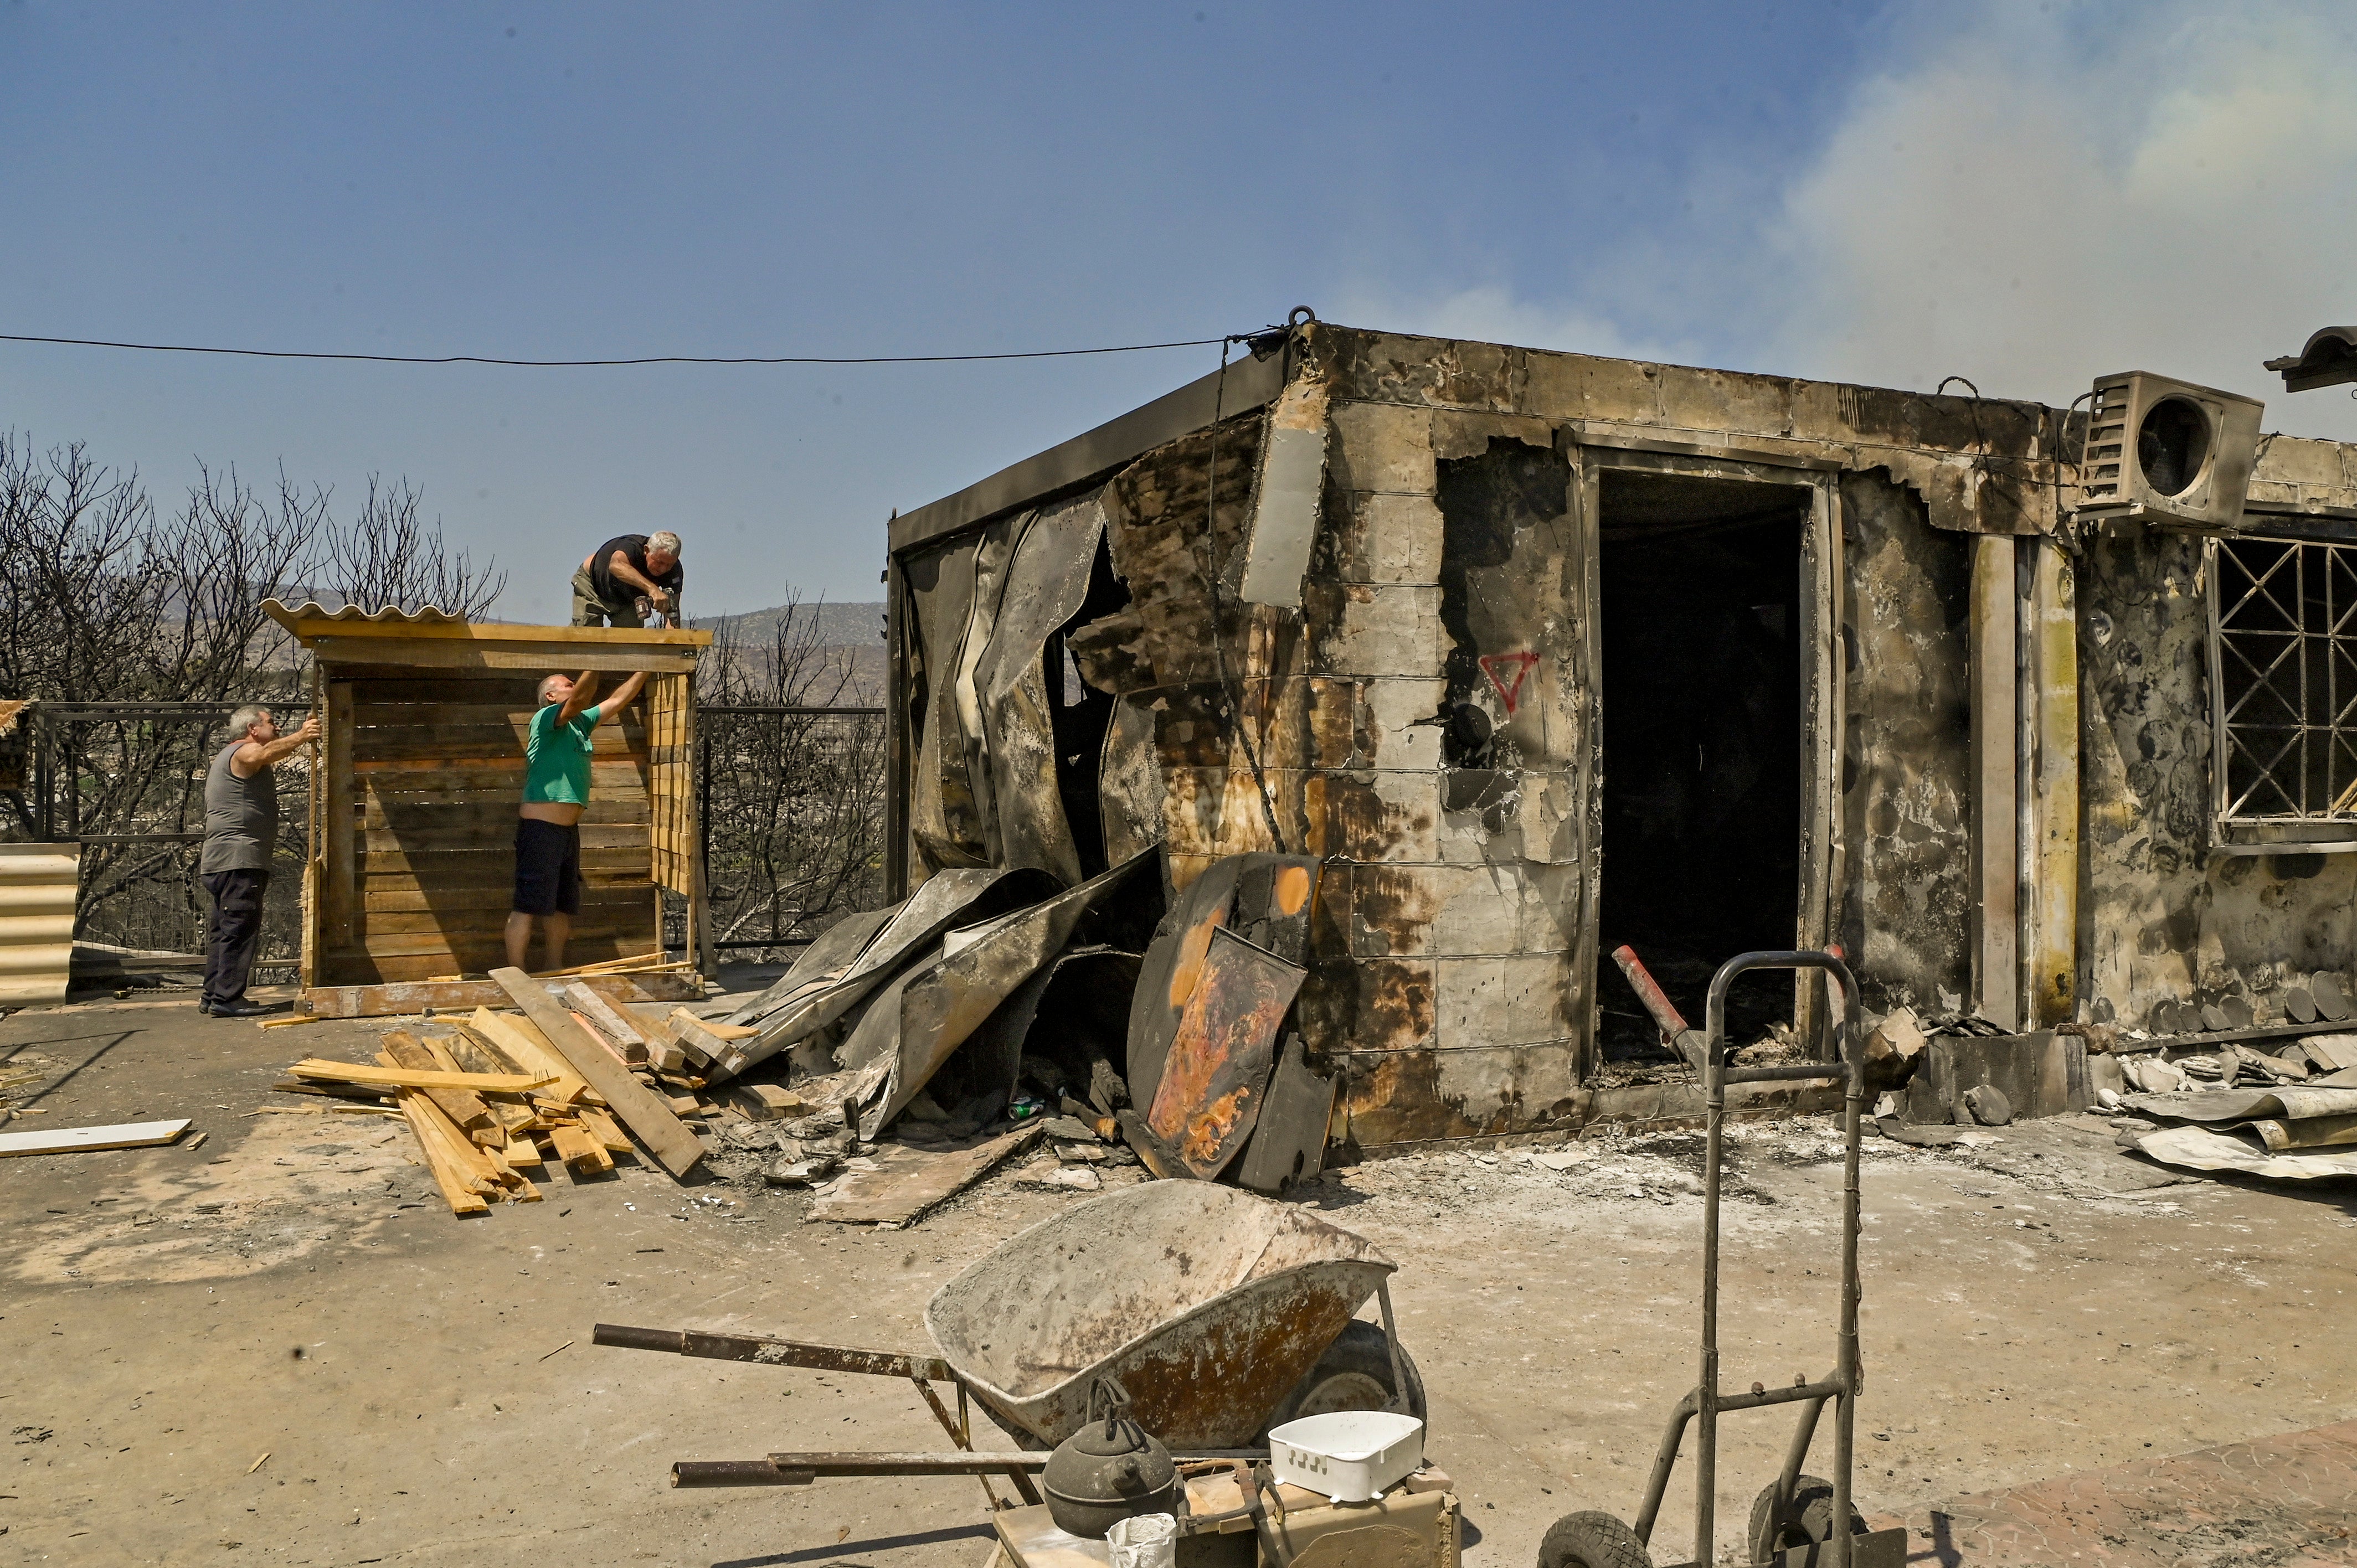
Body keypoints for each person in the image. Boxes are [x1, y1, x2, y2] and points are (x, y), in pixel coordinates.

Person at [507, 666, 650, 972]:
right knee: (528, 906)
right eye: (568, 684)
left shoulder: (580, 723)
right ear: (551, 695)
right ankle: (514, 979)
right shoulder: (546, 719)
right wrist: (597, 660)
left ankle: (553, 971)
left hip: (567, 832)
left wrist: (645, 668)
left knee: (560, 907)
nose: (574, 687)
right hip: (540, 830)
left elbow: (617, 700)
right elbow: (582, 696)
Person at [199, 704, 320, 1018]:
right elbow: (262, 755)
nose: (276, 727)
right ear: (253, 729)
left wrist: (301, 737)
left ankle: (214, 993)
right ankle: (227, 999)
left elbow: (273, 753)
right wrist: (303, 735)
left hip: (222, 860)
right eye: (271, 722)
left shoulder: (226, 758)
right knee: (239, 927)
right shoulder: (242, 753)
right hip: (239, 858)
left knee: (224, 929)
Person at [572, 531, 684, 628]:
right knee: (586, 636)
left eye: (670, 564)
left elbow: (673, 613)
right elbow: (616, 565)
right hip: (593, 587)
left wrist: (674, 644)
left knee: (630, 641)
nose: (664, 569)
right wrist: (652, 589)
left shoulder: (675, 571)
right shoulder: (631, 546)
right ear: (647, 550)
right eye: (660, 562)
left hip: (627, 600)